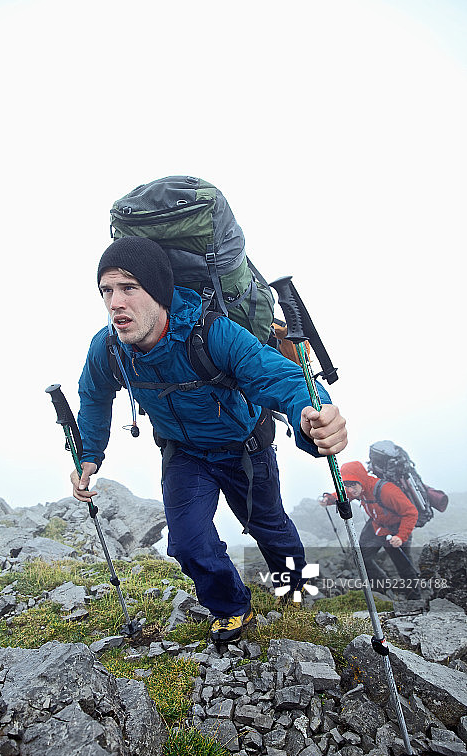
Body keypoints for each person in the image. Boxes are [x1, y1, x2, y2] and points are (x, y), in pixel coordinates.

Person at [72, 236, 348, 642]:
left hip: (244, 451)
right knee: (186, 543)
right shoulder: (109, 348)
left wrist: (312, 415)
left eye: (129, 287)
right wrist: (88, 454)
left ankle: (294, 587)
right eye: (107, 291)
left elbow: (281, 377)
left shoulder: (212, 333)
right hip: (183, 455)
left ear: (159, 291)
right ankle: (231, 606)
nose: (115, 302)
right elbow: (93, 397)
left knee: (269, 528)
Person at [320, 461, 421, 598]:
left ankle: (415, 599)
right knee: (360, 556)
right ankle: (383, 588)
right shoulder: (358, 489)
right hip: (377, 525)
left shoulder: (387, 491)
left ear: (361, 479)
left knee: (403, 565)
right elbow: (346, 494)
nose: (350, 490)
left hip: (397, 529)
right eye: (346, 485)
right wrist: (330, 499)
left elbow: (411, 513)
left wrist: (401, 536)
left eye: (353, 484)